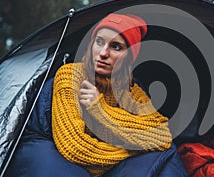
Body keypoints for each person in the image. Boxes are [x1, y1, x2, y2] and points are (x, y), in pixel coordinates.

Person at [6, 13, 186, 177]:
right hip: (48, 147)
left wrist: (100, 110)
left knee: (166, 155)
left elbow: (162, 136)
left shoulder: (132, 91)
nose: (103, 53)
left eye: (116, 47)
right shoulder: (71, 76)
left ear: (129, 56)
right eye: (99, 42)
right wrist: (136, 146)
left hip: (103, 158)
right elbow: (76, 150)